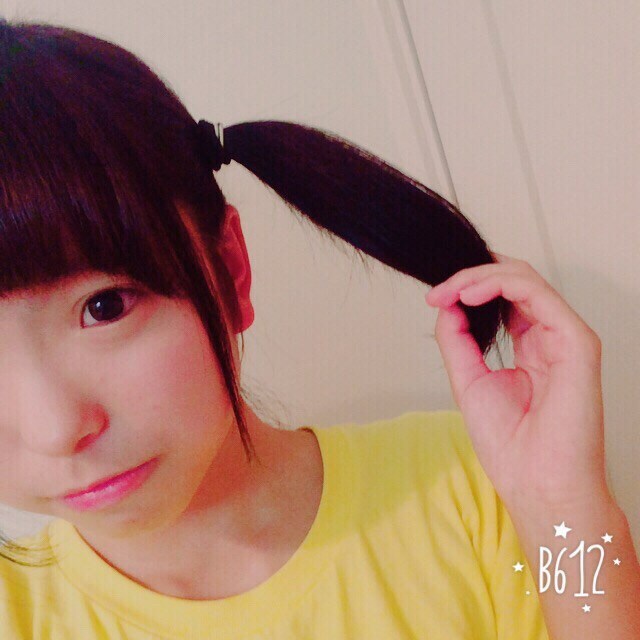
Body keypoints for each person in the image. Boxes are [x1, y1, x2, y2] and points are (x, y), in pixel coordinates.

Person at [0, 17, 638, 640]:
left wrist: (562, 508)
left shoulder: (472, 484)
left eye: (104, 306)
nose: (57, 430)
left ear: (229, 270)